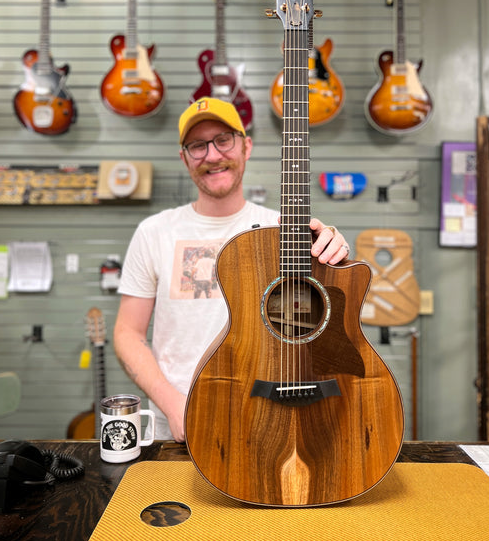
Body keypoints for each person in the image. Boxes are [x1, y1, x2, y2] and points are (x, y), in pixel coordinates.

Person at [113, 97, 351, 442]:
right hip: (180, 426)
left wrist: (336, 255)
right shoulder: (154, 232)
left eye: (223, 140)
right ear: (184, 158)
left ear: (246, 146)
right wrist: (173, 405)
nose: (212, 155)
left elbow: (322, 324)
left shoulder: (284, 229)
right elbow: (127, 333)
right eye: (197, 145)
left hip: (270, 418)